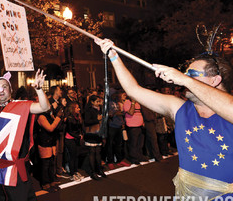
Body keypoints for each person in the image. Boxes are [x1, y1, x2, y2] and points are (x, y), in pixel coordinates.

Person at [96, 38, 233, 198]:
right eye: (185, 73)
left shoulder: (228, 112)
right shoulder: (180, 108)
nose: (184, 77)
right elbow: (133, 90)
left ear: (215, 80)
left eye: (192, 74)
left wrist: (184, 79)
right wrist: (114, 56)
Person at [0, 69, 50, 201]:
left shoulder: (21, 106)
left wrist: (39, 89)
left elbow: (44, 107)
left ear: (10, 89)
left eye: (4, 86)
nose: (1, 90)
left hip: (19, 171)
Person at [36, 103, 63, 191]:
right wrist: (58, 117)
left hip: (51, 142)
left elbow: (56, 126)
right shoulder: (41, 117)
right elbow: (50, 128)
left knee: (52, 163)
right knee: (45, 165)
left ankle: (52, 182)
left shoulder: (49, 115)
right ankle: (45, 184)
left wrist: (56, 117)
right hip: (44, 143)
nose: (50, 107)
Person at [83, 95, 107, 180]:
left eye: (99, 101)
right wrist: (97, 119)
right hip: (91, 134)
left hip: (98, 133)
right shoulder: (89, 110)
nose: (99, 103)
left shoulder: (100, 110)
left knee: (98, 152)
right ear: (92, 102)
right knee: (92, 152)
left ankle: (99, 169)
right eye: (97, 101)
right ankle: (93, 172)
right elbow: (87, 121)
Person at [64, 102, 84, 181]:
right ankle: (72, 174)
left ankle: (76, 171)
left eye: (79, 108)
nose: (79, 109)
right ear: (73, 109)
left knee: (76, 156)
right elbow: (70, 130)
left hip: (76, 138)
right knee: (72, 157)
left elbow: (79, 128)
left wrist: (81, 134)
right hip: (70, 139)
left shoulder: (78, 117)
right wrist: (78, 136)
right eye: (77, 108)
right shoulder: (69, 118)